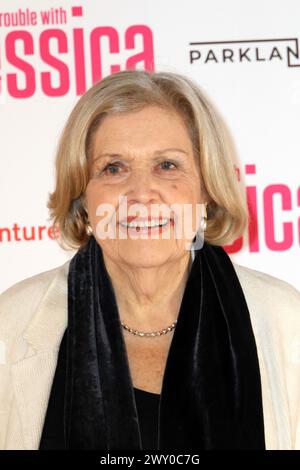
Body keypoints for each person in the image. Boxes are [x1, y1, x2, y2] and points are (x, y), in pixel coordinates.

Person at [0, 69, 299, 451]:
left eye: (167, 165)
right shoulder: (11, 324)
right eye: (113, 168)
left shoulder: (286, 322)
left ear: (206, 190)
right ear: (84, 198)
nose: (141, 194)